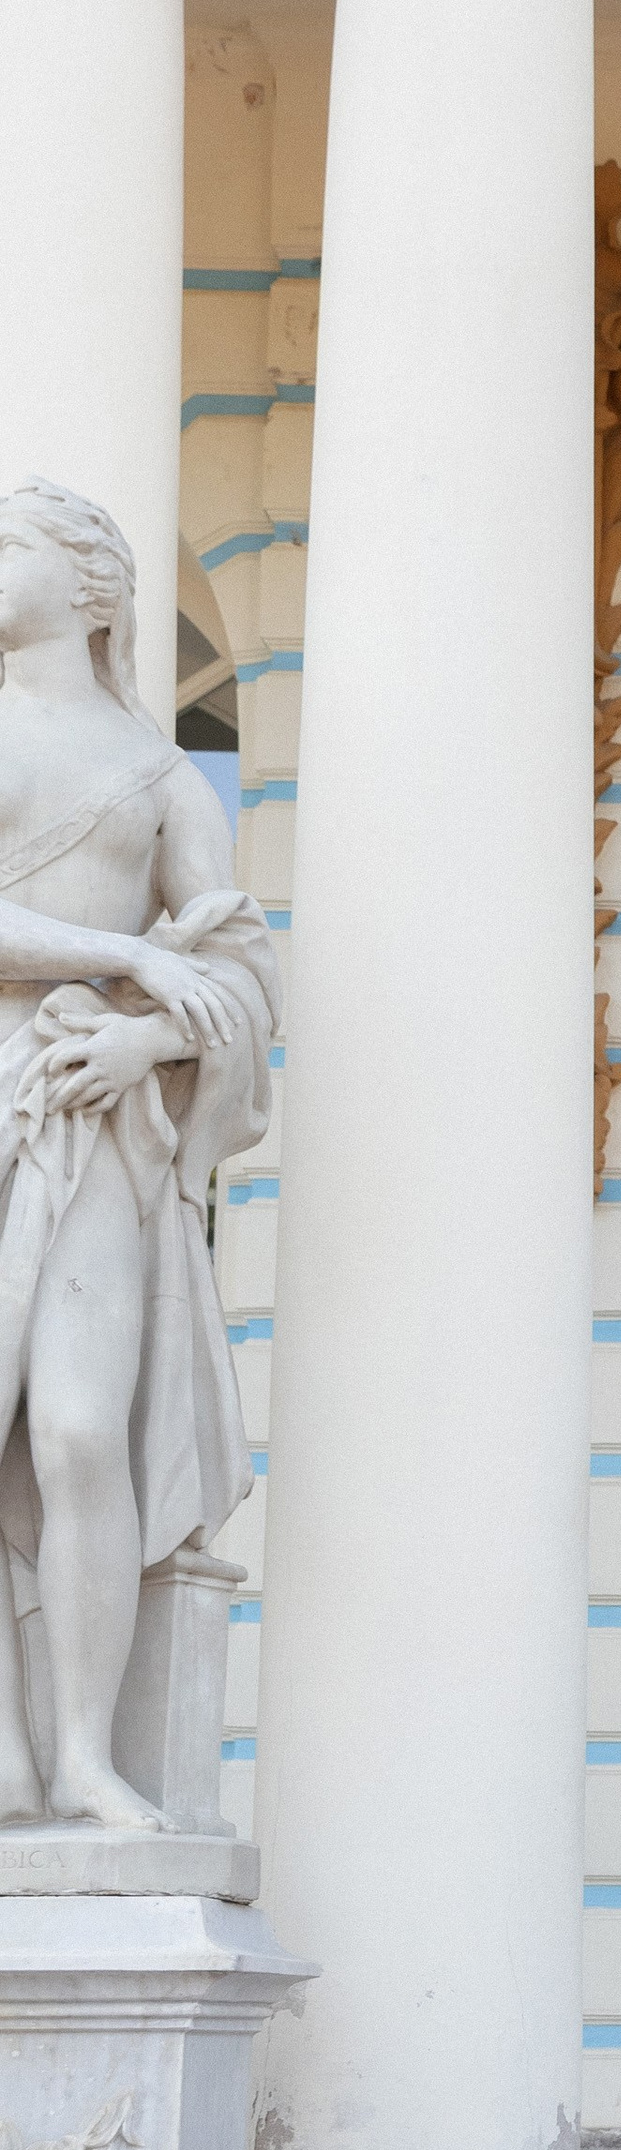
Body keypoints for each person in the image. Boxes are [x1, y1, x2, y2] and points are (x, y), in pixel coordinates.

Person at [0, 480, 276, 1828]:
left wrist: (144, 1043)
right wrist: (128, 956)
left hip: (92, 1111)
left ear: (91, 583)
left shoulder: (163, 778)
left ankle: (82, 1757)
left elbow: (240, 970)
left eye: (10, 543)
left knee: (76, 1430)